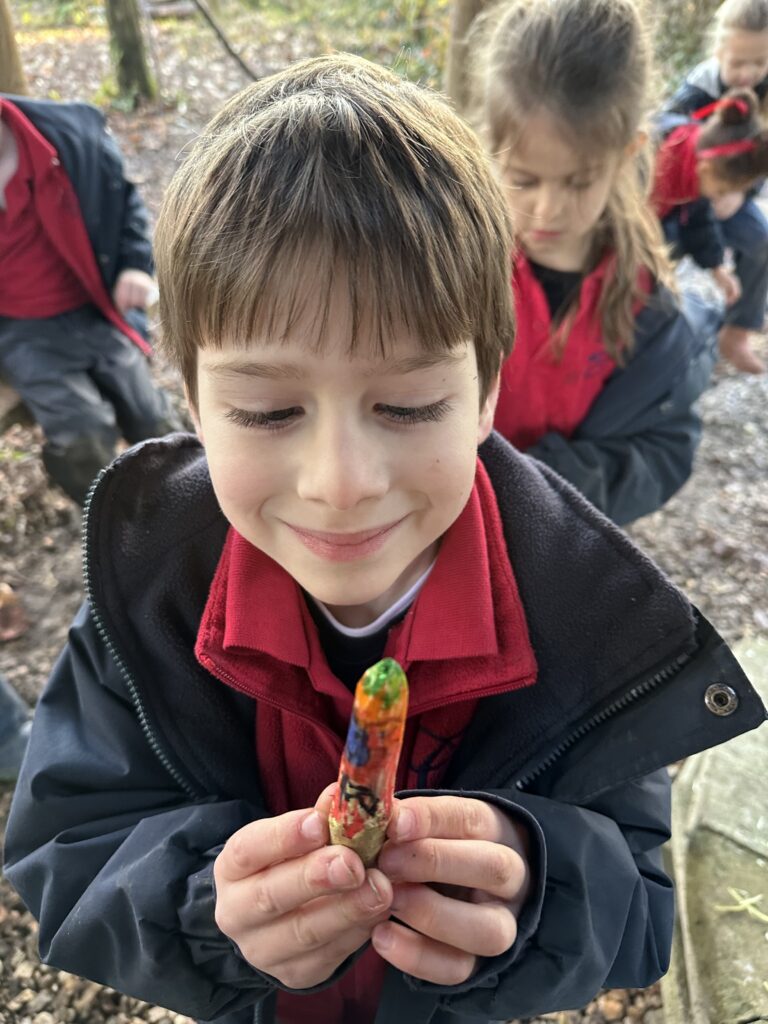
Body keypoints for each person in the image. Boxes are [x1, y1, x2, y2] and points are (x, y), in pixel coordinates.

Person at [4, 54, 766, 1024]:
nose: (341, 481)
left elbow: (643, 899)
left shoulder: (590, 612)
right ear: (191, 401)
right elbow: (64, 850)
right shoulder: (147, 589)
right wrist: (205, 907)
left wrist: (536, 893)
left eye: (406, 404)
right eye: (271, 410)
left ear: (487, 388)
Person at [475, 0, 722, 526]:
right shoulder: (457, 266)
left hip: (562, 536)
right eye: (522, 178)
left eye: (577, 182)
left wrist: (541, 487)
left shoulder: (652, 308)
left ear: (629, 152)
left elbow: (664, 449)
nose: (547, 210)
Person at [0, 94, 182, 504]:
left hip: (93, 308)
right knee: (84, 433)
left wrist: (136, 264)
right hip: (21, 330)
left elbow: (123, 202)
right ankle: (108, 522)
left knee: (151, 417)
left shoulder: (67, 135)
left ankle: (184, 507)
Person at [665, 0, 768, 374]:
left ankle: (737, 330)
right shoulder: (696, 92)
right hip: (686, 197)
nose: (748, 73)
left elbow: (758, 159)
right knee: (662, 248)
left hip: (733, 191)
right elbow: (669, 140)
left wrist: (742, 193)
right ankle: (656, 320)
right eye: (738, 62)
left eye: (759, 62)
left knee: (760, 238)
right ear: (718, 51)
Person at [652, 88, 768, 357]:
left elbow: (698, 219)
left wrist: (717, 267)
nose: (720, 201)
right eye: (721, 193)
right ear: (705, 170)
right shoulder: (655, 156)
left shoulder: (697, 161)